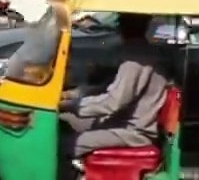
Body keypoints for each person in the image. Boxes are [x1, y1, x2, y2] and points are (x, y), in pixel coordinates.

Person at [60, 13, 171, 157]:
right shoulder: (136, 53)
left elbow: (113, 103)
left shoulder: (136, 60)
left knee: (64, 144)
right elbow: (107, 88)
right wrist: (72, 95)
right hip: (123, 121)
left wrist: (71, 106)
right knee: (65, 121)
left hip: (135, 132)